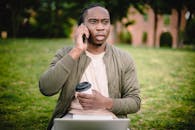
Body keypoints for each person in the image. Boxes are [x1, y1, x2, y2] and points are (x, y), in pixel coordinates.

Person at [39, 3, 141, 130]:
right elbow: (46, 88)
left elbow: (135, 102)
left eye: (105, 22)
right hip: (72, 119)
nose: (100, 27)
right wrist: (77, 50)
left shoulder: (124, 58)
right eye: (93, 22)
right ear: (82, 27)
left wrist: (105, 102)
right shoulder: (66, 54)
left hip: (111, 120)